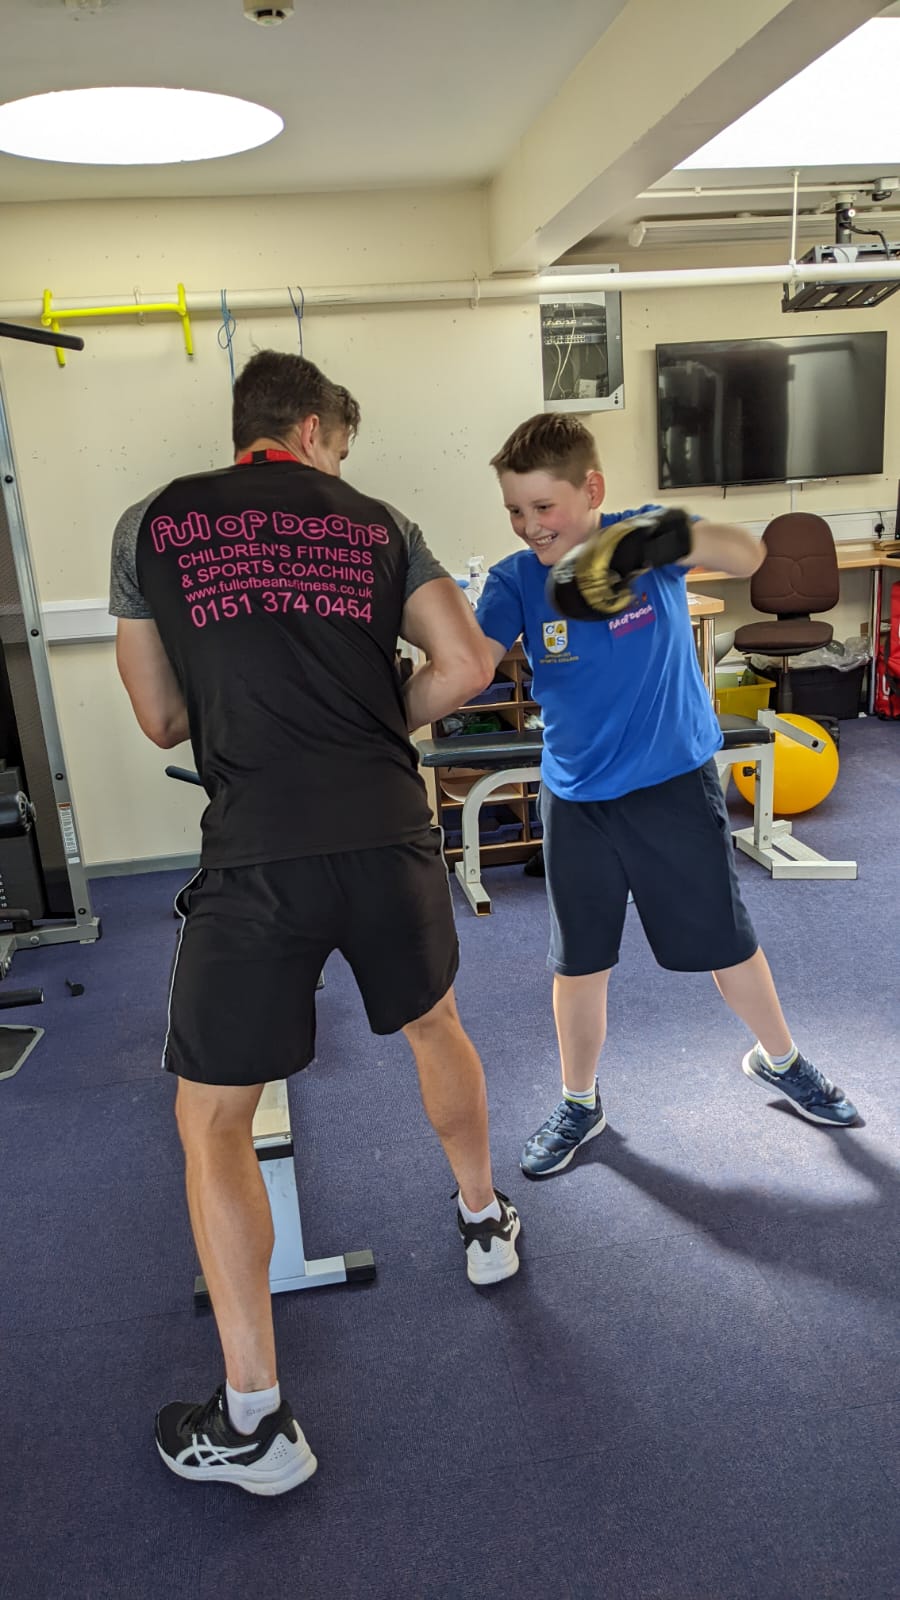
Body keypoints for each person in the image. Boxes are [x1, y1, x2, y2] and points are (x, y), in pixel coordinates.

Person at [109, 351, 521, 1497]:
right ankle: (486, 1226)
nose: (342, 466)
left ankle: (255, 1422)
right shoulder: (380, 522)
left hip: (258, 848)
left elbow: (158, 717)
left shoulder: (150, 526)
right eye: (339, 444)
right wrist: (364, 715)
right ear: (309, 427)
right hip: (387, 831)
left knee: (213, 1123)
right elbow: (469, 662)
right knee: (435, 1023)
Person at [475, 412, 859, 1181]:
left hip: (673, 788)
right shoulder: (518, 579)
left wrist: (661, 538)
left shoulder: (641, 546)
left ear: (592, 489)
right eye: (515, 511)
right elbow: (472, 661)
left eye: (543, 507)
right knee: (578, 963)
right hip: (576, 798)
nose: (528, 526)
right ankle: (579, 1101)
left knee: (725, 943)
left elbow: (747, 553)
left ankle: (778, 1059)